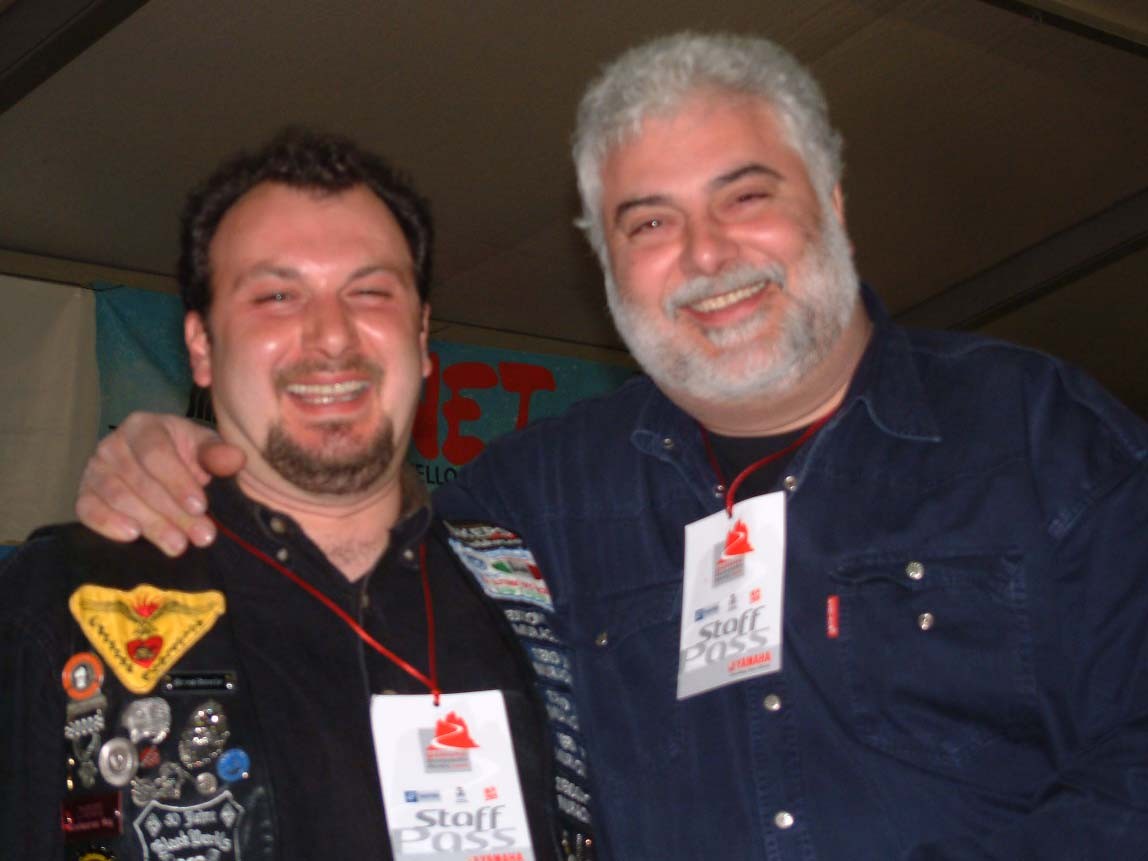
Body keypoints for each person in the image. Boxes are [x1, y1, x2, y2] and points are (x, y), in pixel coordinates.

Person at [73, 33, 1148, 859]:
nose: (706, 254)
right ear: (605, 264)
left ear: (830, 204)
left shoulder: (1034, 432)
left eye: (745, 196)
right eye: (649, 222)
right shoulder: (538, 494)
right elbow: (339, 515)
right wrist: (184, 449)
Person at [0, 129, 598, 860]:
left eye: (369, 291)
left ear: (421, 335)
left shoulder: (537, 599)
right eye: (277, 296)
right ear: (201, 346)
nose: (331, 335)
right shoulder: (59, 601)